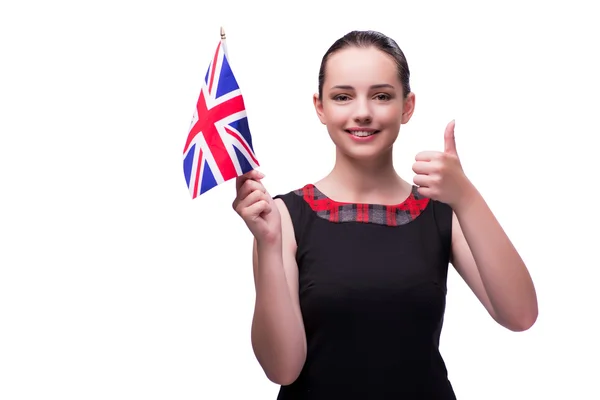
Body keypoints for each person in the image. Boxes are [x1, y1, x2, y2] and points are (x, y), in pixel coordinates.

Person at [232, 30, 538, 399]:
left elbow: (520, 315)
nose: (362, 112)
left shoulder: (441, 212)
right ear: (320, 107)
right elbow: (283, 368)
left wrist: (467, 198)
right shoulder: (282, 218)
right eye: (343, 97)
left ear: (407, 106)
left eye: (381, 96)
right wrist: (267, 245)